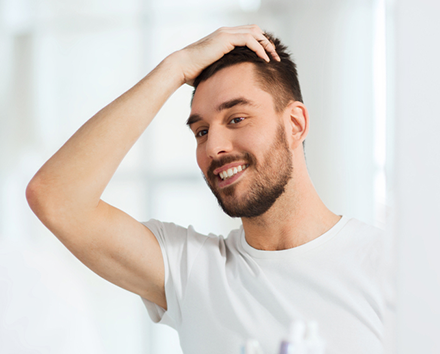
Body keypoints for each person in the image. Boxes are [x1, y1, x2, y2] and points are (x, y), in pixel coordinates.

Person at [26, 25, 390, 354]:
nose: (213, 146)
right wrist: (175, 67)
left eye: (236, 118)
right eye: (201, 131)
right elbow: (56, 197)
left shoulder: (387, 268)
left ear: (294, 124)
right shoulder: (192, 272)